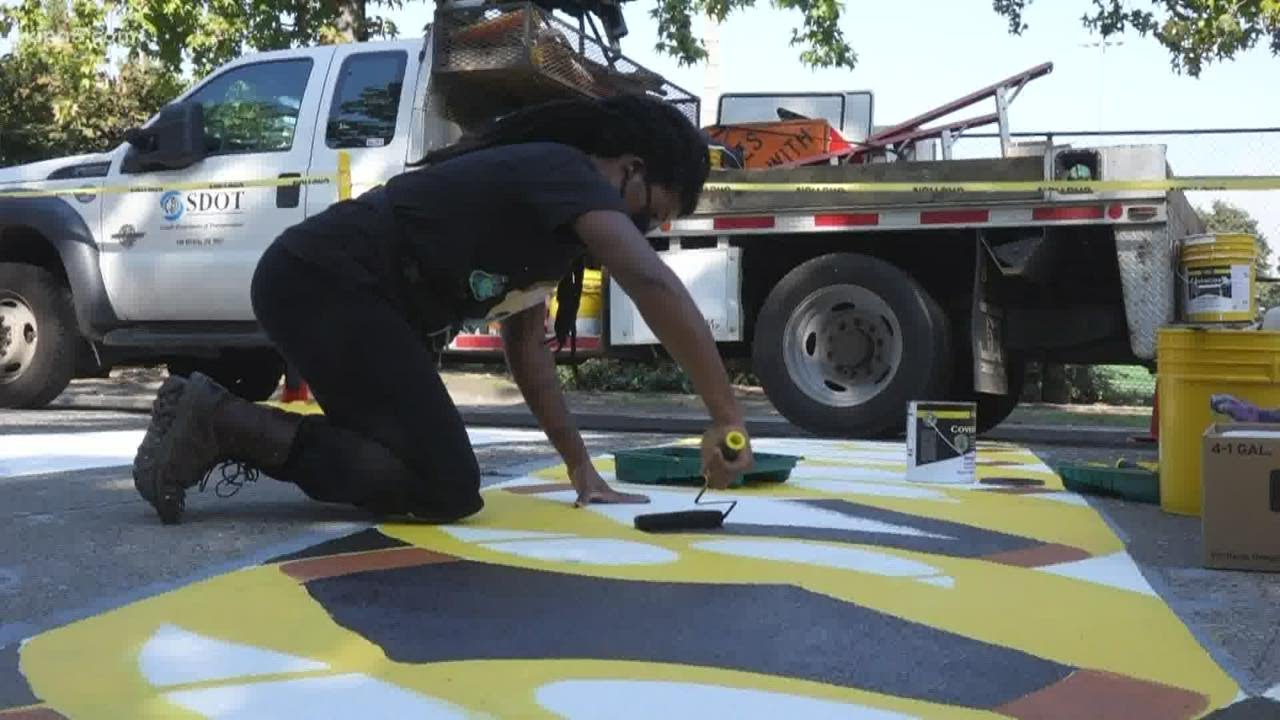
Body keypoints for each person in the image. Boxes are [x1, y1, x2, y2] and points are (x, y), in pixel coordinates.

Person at [131, 93, 756, 525]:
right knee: (446, 485)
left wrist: (581, 470)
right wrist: (726, 418)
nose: (643, 230)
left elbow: (527, 349)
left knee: (425, 474)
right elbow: (650, 282)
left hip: (337, 290)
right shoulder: (561, 172)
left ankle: (221, 421)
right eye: (650, 213)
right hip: (322, 280)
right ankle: (224, 421)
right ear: (629, 169)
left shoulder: (554, 225)